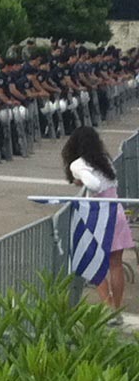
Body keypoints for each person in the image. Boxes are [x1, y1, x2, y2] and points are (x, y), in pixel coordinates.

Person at [62, 127, 132, 311]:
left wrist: (83, 180)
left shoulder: (78, 164)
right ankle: (117, 307)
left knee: (92, 261)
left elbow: (94, 184)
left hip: (99, 214)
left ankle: (107, 304)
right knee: (115, 264)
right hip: (116, 210)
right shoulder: (105, 160)